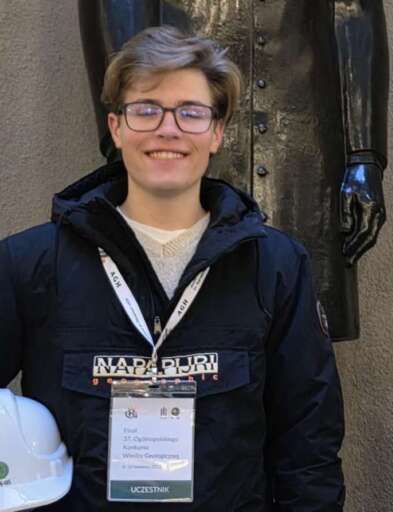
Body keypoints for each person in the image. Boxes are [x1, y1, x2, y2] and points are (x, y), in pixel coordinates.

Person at [0, 26, 344, 511]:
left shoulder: (275, 266)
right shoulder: (29, 263)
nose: (168, 129)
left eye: (190, 112)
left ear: (217, 132)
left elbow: (308, 447)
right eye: (146, 110)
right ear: (116, 128)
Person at [78, 0, 390, 341]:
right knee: (175, 328)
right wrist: (129, 147)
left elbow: (354, 11)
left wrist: (364, 155)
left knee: (299, 329)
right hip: (183, 114)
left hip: (302, 121)